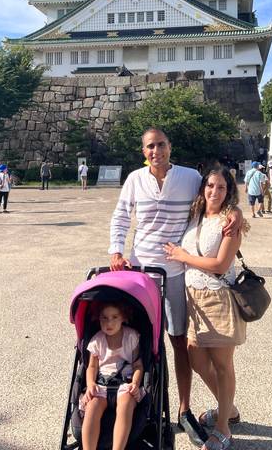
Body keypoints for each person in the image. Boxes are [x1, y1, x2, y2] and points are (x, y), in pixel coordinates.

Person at [109, 127, 238, 446]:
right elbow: (121, 217)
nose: (157, 151)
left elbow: (212, 200)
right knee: (141, 340)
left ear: (170, 146)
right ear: (144, 151)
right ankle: (143, 401)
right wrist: (116, 249)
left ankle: (184, 407)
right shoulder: (135, 179)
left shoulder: (189, 177)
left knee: (179, 340)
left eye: (162, 145)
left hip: (178, 271)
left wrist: (234, 211)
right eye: (151, 146)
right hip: (142, 269)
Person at [164, 166, 247, 450]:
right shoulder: (195, 214)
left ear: (229, 192)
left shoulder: (230, 221)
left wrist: (182, 256)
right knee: (197, 360)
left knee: (223, 366)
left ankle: (224, 427)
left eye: (221, 187)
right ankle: (229, 408)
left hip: (219, 298)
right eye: (210, 185)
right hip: (193, 300)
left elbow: (221, 265)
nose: (214, 191)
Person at [80, 302, 144, 450]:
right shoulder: (97, 340)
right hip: (102, 383)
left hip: (125, 383)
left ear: (123, 318)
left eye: (114, 317)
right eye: (104, 318)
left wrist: (135, 382)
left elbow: (138, 365)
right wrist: (90, 384)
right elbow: (92, 366)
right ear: (98, 319)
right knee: (91, 408)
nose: (109, 322)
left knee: (126, 406)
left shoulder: (131, 337)